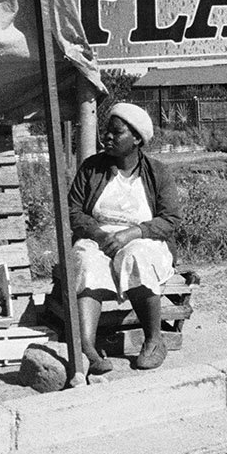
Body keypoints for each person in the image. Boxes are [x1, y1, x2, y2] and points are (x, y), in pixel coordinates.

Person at [67, 102, 182, 377]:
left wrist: (131, 233)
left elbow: (170, 220)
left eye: (115, 133)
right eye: (106, 131)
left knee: (136, 255)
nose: (106, 137)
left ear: (137, 139)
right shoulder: (92, 169)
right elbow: (72, 211)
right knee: (86, 260)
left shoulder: (158, 173)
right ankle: (88, 349)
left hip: (144, 240)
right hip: (97, 239)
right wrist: (98, 234)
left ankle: (154, 340)